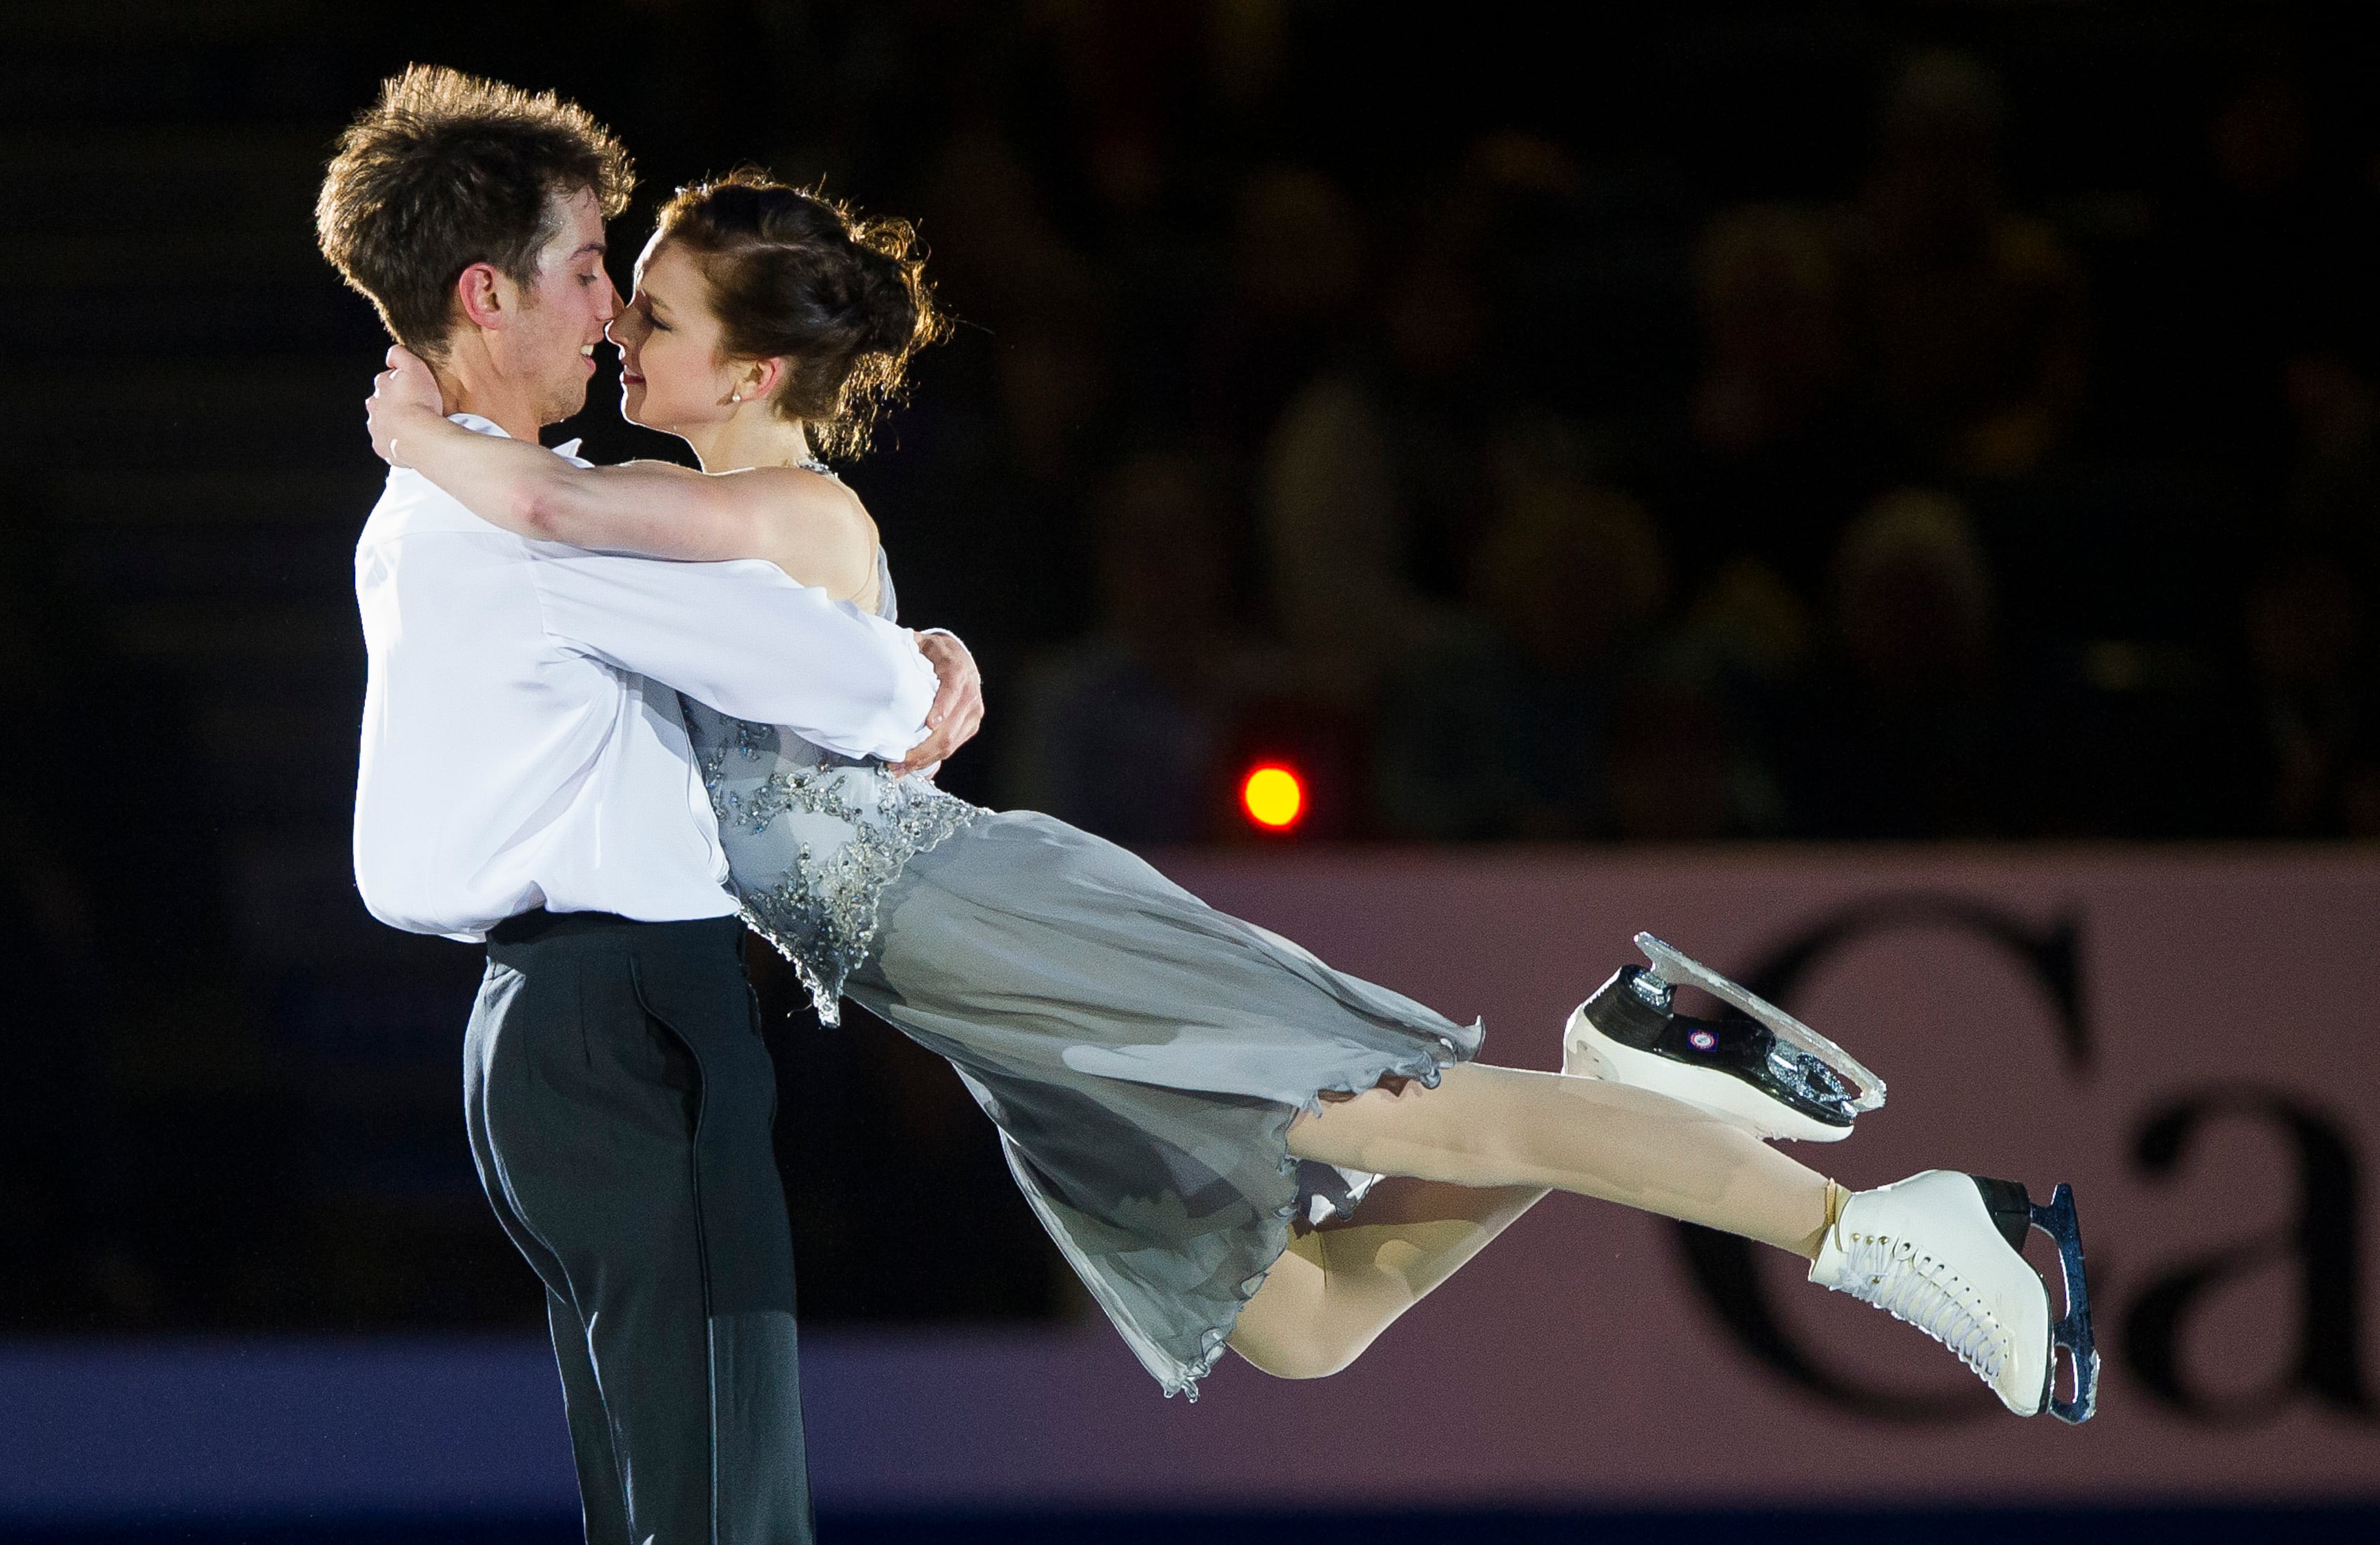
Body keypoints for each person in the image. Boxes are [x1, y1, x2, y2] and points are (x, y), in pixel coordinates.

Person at [364, 169, 2096, 1425]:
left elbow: (554, 515)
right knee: (1306, 1330)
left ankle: (1891, 1230)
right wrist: (938, 652)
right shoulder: (727, 542)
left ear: (750, 371)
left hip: (984, 927)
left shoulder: (771, 511)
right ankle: (1614, 1065)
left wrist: (418, 430)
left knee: (1410, 1120)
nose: (626, 337)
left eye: (652, 314)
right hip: (967, 1004)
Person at [317, 70, 986, 1544]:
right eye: (583, 270)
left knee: (669, 1497)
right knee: (716, 1500)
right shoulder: (530, 536)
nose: (609, 306)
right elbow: (841, 683)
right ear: (485, 295)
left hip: (567, 1023)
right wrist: (923, 664)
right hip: (625, 1014)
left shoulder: (464, 508)